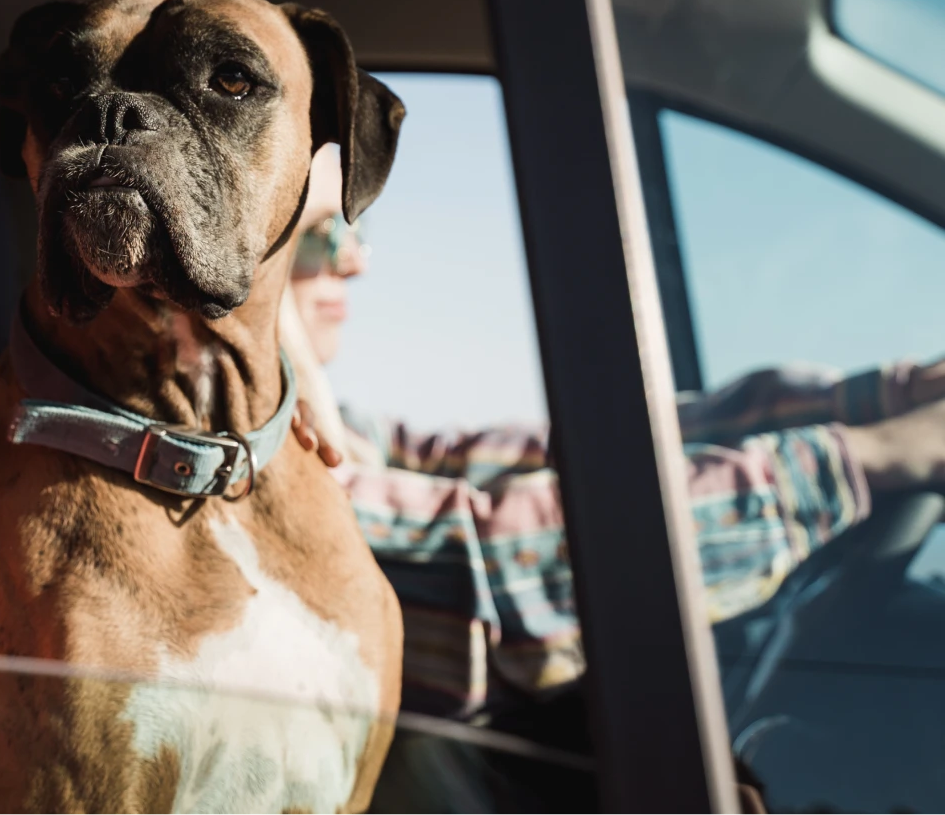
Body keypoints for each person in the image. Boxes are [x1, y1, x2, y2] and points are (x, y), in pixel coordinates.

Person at [283, 145, 945, 720]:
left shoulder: (344, 431)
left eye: (355, 230)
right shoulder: (248, 469)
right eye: (319, 237)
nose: (355, 262)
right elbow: (505, 568)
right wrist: (865, 460)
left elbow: (558, 450)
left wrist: (876, 400)